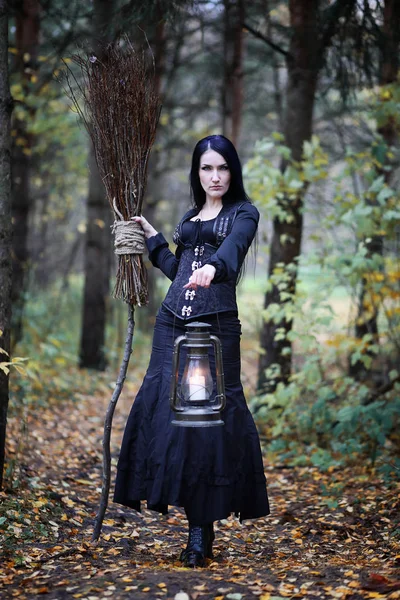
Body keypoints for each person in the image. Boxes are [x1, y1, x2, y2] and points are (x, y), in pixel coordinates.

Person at [113, 134, 269, 567]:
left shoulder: (244, 213)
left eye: (222, 168)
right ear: (196, 172)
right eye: (206, 168)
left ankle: (201, 531)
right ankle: (175, 504)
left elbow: (233, 252)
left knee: (209, 420)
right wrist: (154, 239)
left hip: (216, 326)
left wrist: (213, 267)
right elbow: (176, 269)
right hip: (170, 325)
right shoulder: (189, 215)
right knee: (163, 410)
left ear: (232, 171)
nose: (214, 176)